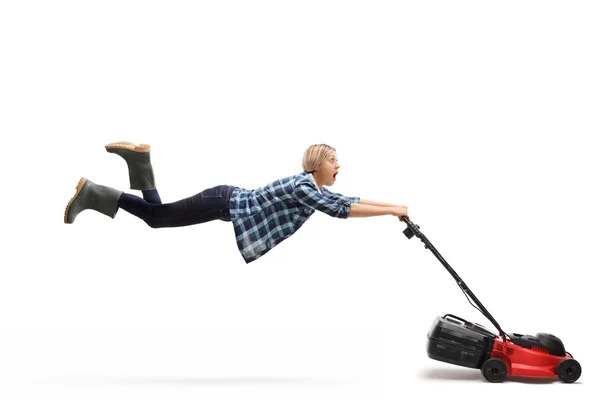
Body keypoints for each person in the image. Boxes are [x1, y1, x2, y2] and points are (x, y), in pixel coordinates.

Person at [64, 142, 410, 263]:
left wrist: (394, 207)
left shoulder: (312, 189)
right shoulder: (305, 188)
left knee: (158, 216)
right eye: (333, 160)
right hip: (222, 202)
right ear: (317, 163)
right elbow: (342, 210)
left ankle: (139, 163)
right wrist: (393, 211)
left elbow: (347, 200)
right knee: (156, 217)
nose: (338, 166)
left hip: (224, 202)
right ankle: (94, 192)